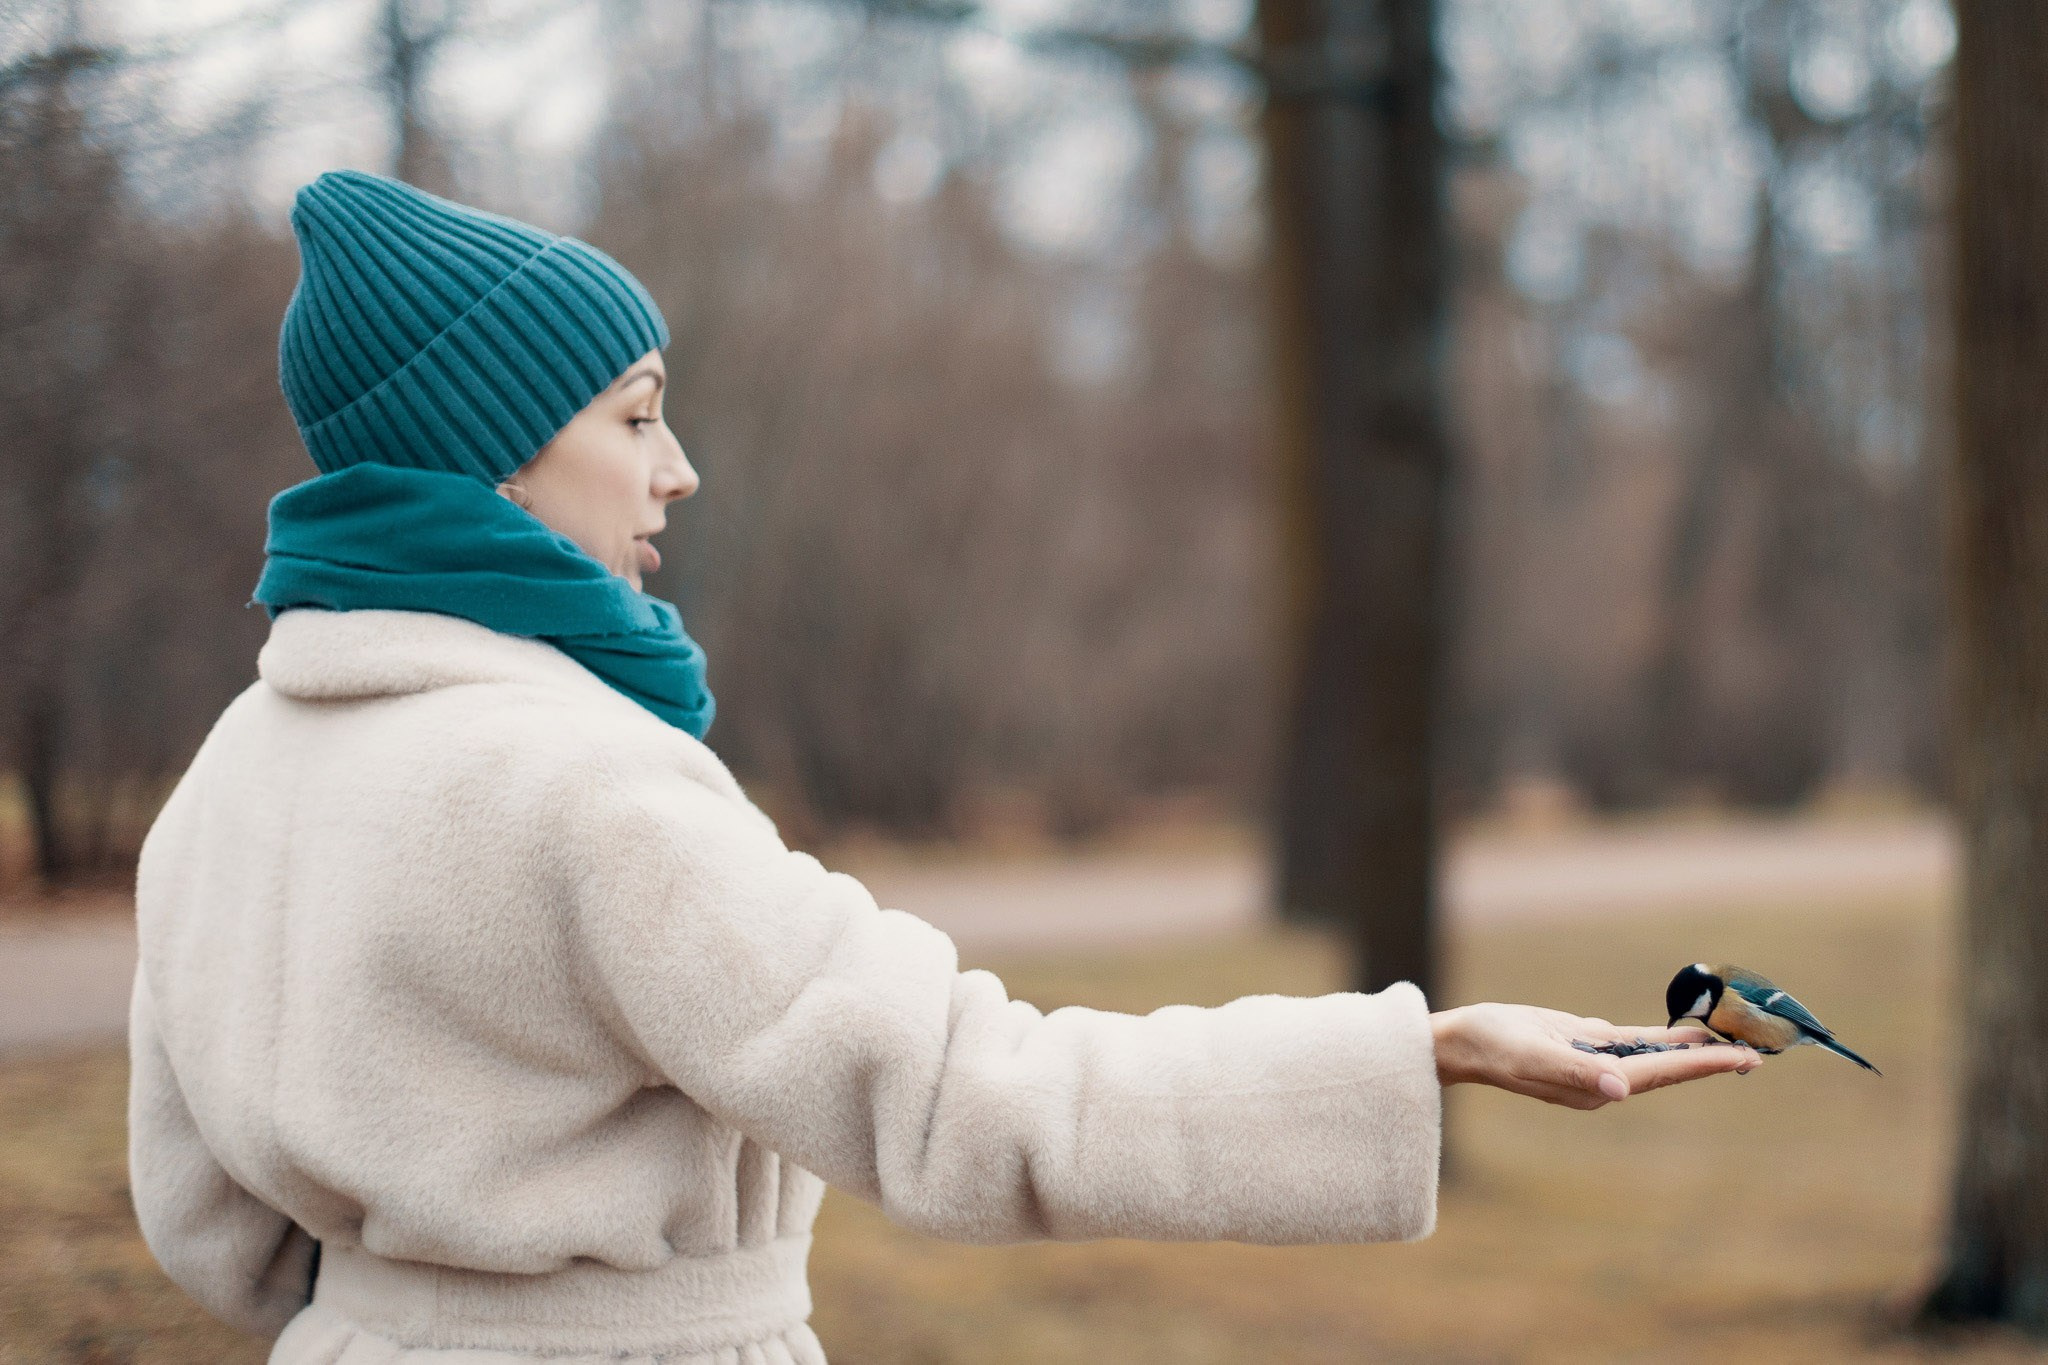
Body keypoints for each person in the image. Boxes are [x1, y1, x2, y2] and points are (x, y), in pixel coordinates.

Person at [126, 168, 1757, 1365]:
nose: (676, 470)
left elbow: (200, 1221)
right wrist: (1424, 1054)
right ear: (488, 448)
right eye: (635, 417)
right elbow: (972, 1098)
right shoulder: (588, 787)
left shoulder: (228, 778)